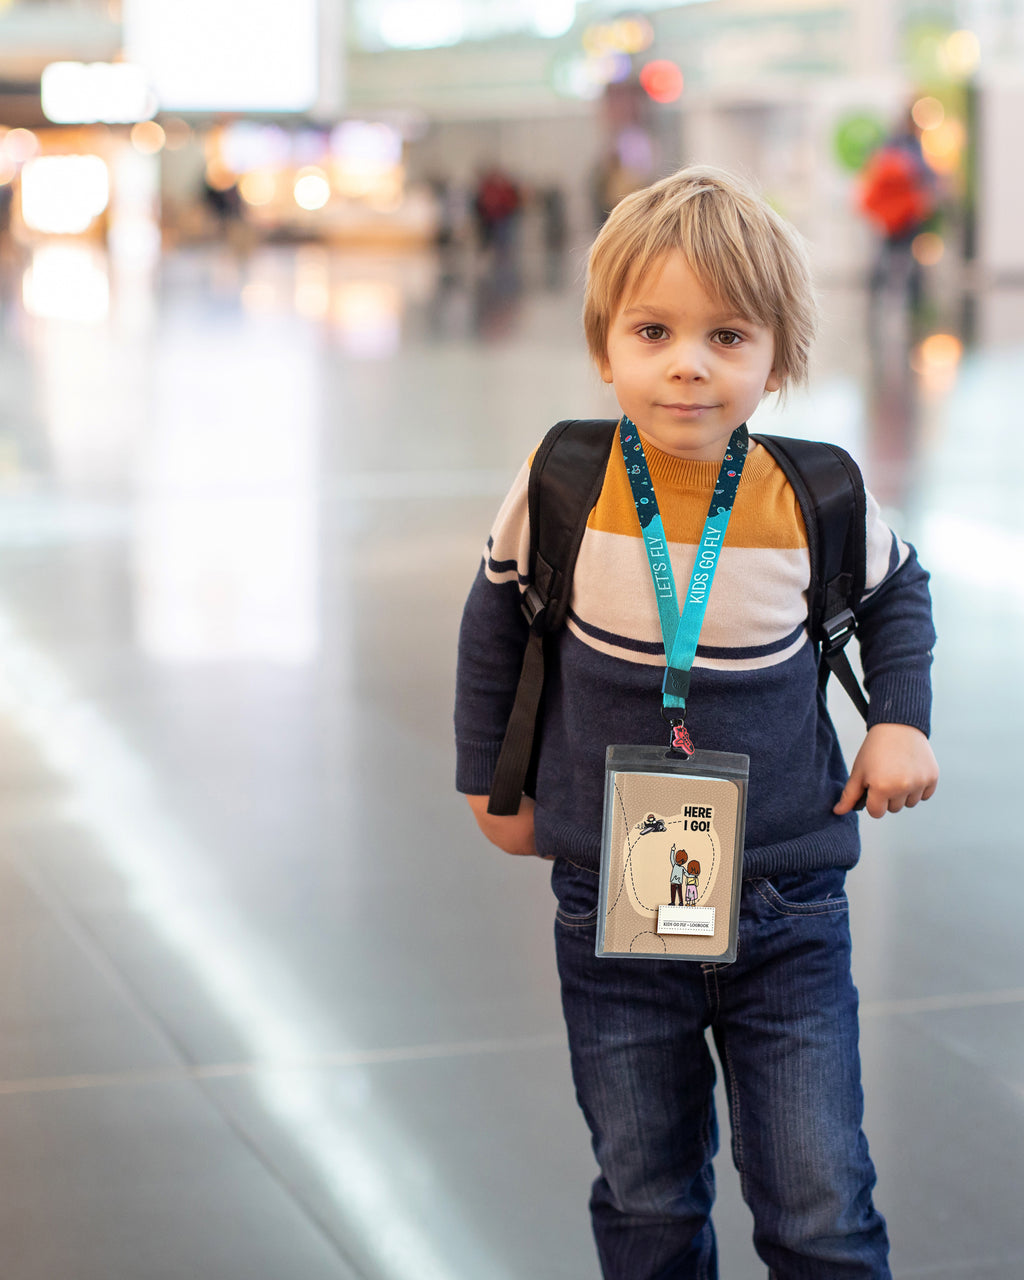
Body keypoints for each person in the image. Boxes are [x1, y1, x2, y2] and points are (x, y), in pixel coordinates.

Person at [454, 165, 938, 1279]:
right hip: (612, 907)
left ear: (779, 354)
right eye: (654, 329)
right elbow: (494, 628)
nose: (687, 362)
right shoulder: (565, 479)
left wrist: (896, 721)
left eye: (728, 335)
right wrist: (491, 779)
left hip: (788, 902)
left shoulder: (810, 491)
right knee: (644, 1187)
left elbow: (895, 594)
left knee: (820, 1194)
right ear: (606, 342)